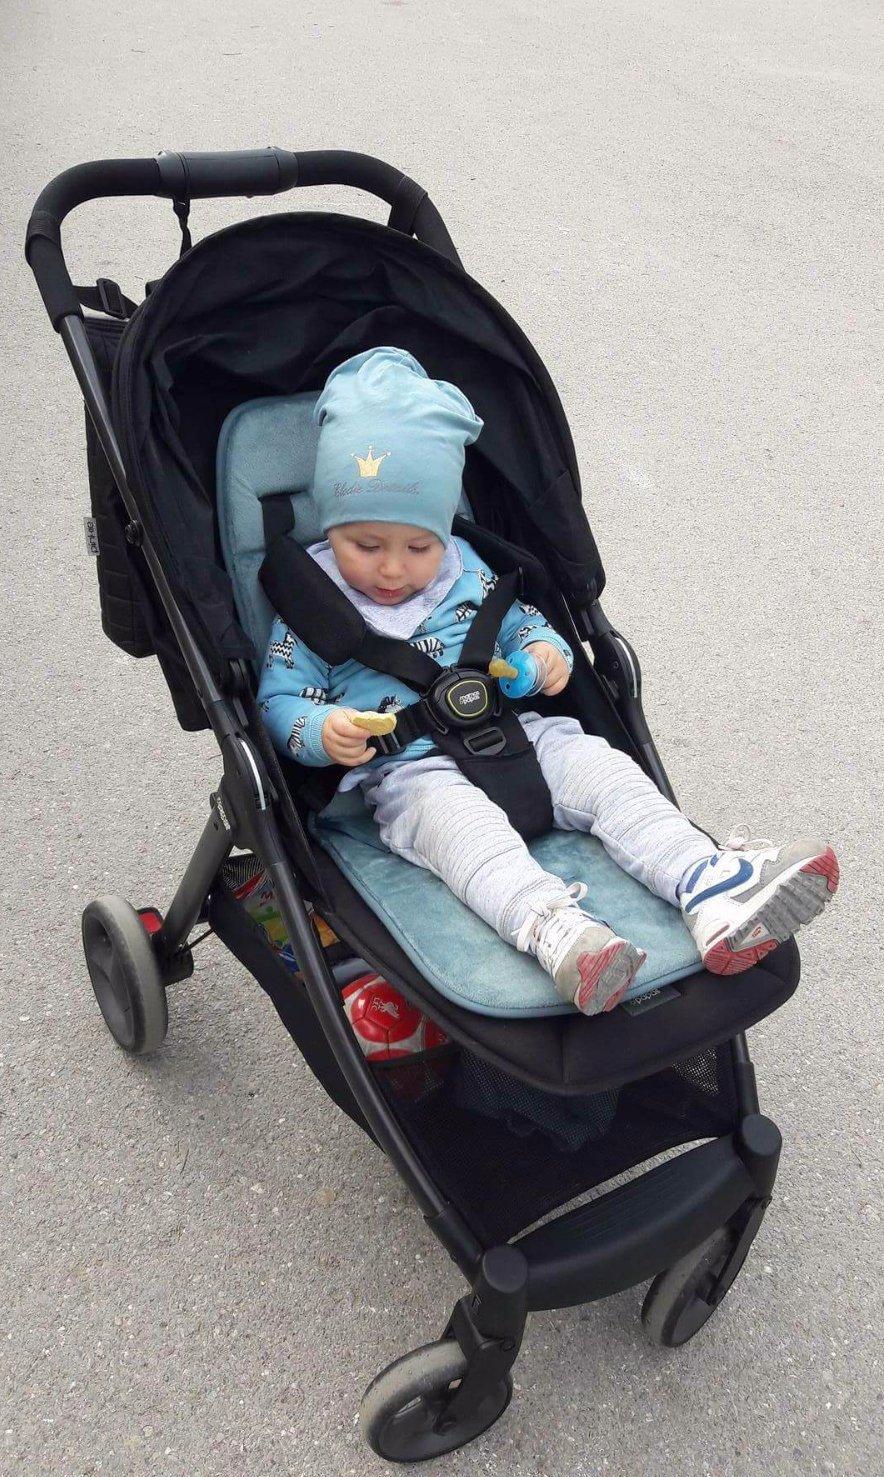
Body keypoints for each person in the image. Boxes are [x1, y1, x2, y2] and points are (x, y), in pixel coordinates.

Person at [259, 348, 839, 1016]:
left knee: (605, 772)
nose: (393, 569)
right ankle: (557, 933)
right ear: (331, 525)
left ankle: (705, 883)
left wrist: (543, 656)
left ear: (442, 531)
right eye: (365, 546)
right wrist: (321, 731)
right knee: (464, 835)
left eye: (418, 547)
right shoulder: (312, 601)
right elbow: (280, 698)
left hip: (519, 733)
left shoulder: (466, 567)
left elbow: (524, 625)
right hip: (409, 771)